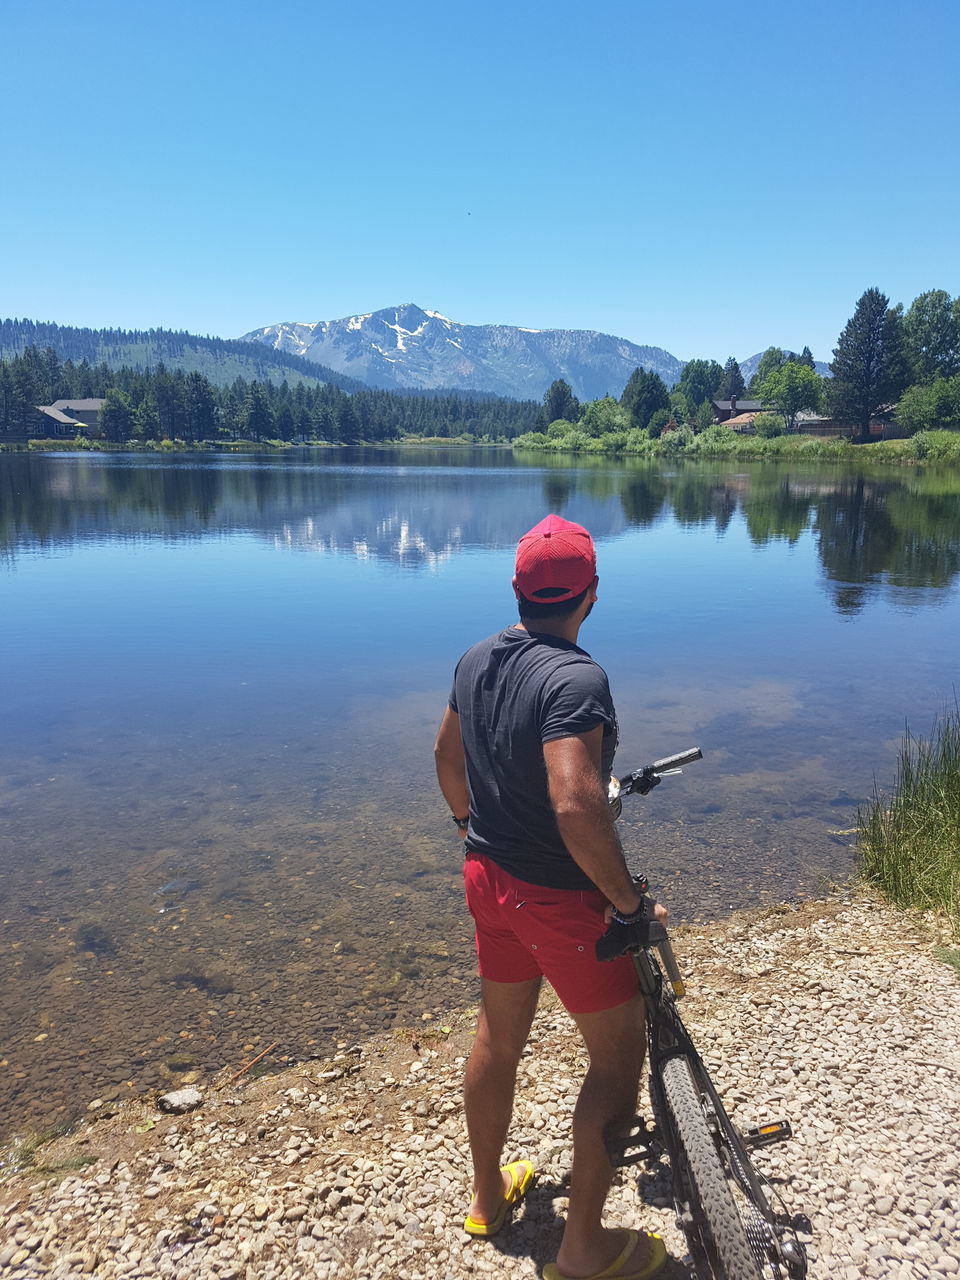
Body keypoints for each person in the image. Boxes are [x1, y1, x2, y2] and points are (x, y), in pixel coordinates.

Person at [434, 514, 669, 1280]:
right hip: (558, 902)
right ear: (591, 595)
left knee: (498, 1039)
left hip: (486, 880)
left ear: (517, 590)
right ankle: (582, 1248)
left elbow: (444, 758)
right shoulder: (577, 677)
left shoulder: (475, 658)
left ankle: (488, 1196)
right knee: (616, 1057)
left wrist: (474, 827)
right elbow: (574, 803)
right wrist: (627, 903)